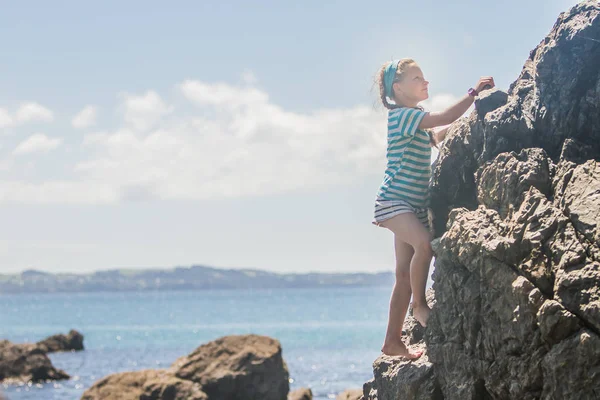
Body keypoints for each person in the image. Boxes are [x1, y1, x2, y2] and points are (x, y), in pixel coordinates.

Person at [373, 58, 494, 358]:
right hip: (394, 202)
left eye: (424, 77)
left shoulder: (415, 120)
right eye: (417, 78)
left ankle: (392, 341)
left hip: (412, 206)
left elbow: (437, 134)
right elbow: (441, 118)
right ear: (398, 88)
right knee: (425, 245)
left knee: (403, 273)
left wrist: (471, 120)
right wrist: (472, 93)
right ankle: (419, 306)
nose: (425, 82)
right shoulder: (401, 116)